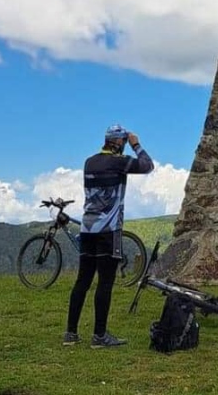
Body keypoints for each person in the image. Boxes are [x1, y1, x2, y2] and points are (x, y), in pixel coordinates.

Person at [63, 124, 154, 348]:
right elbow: (147, 166)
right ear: (119, 142)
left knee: (82, 281)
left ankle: (71, 334)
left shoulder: (89, 162)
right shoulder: (119, 162)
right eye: (123, 142)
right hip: (108, 230)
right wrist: (136, 144)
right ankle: (99, 336)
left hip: (87, 228)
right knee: (105, 283)